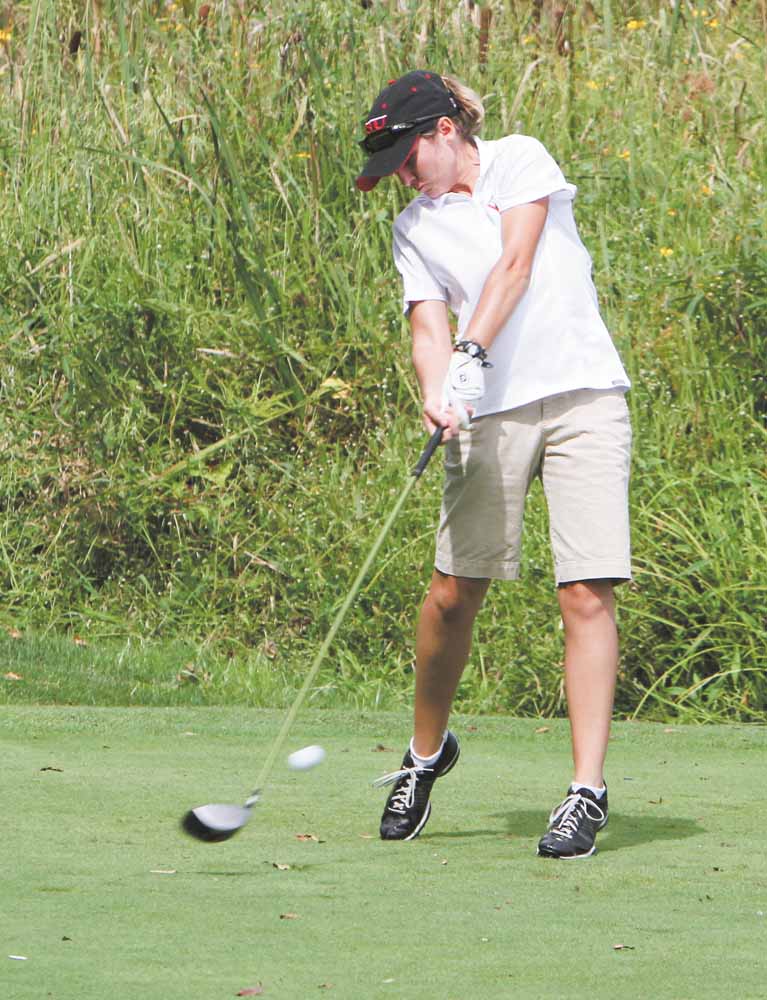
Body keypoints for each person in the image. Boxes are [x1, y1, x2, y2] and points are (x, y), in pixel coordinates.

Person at [357, 71, 632, 859]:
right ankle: (423, 755)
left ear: (444, 130)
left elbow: (514, 261)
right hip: (487, 414)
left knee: (585, 590)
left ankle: (586, 790)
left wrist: (472, 352)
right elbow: (425, 327)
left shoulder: (519, 158)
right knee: (453, 592)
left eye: (406, 157)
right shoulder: (412, 226)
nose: (401, 177)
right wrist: (439, 391)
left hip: (583, 394)